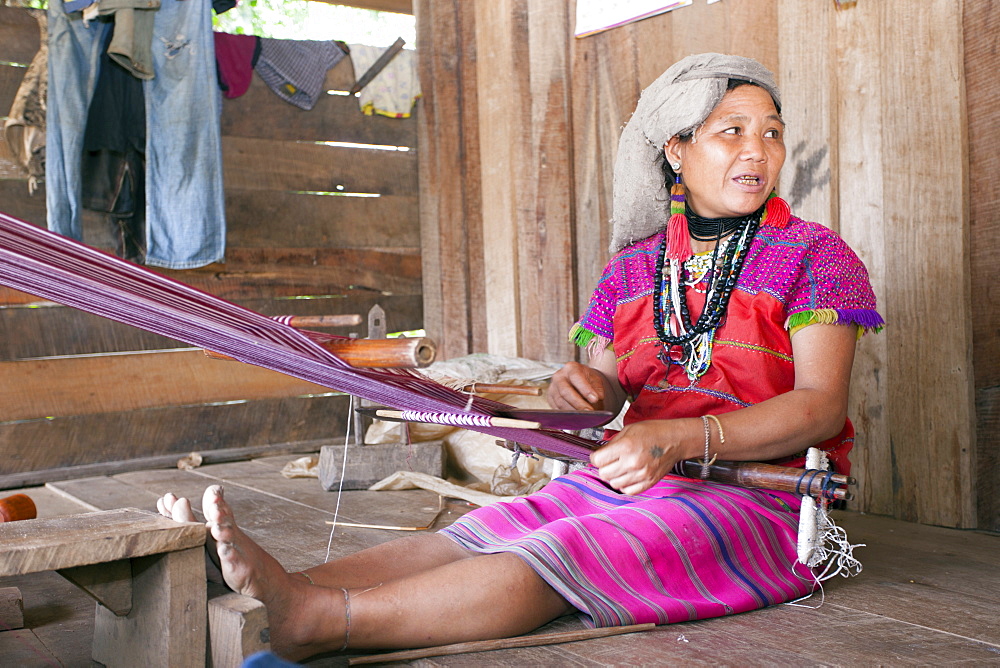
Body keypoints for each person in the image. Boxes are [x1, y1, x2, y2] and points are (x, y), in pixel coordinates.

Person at [156, 53, 882, 661]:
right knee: (481, 532)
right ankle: (289, 587)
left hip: (759, 499)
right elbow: (605, 387)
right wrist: (584, 391)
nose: (758, 151)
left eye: (772, 133)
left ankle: (322, 622)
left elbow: (820, 408)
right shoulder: (634, 269)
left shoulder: (817, 257)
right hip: (639, 478)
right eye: (732, 132)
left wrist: (677, 438)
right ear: (676, 151)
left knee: (554, 557)